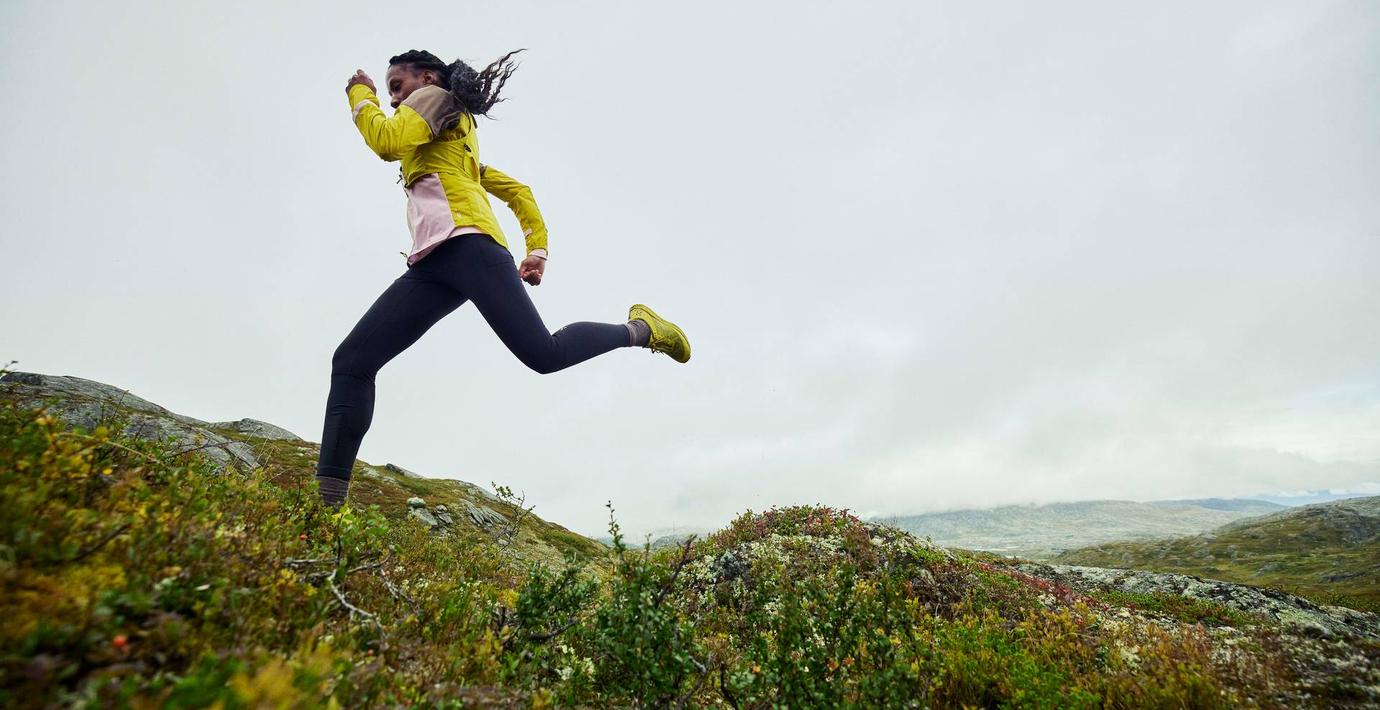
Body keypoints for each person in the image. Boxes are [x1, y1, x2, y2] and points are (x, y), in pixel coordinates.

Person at [314, 49, 690, 508]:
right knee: (353, 360)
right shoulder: (454, 141)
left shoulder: (433, 97)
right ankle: (328, 511)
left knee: (544, 354)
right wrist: (535, 249)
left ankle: (643, 330)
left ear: (427, 77)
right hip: (433, 263)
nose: (393, 101)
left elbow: (387, 142)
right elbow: (517, 191)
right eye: (389, 92)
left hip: (471, 248)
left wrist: (360, 95)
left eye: (397, 87)